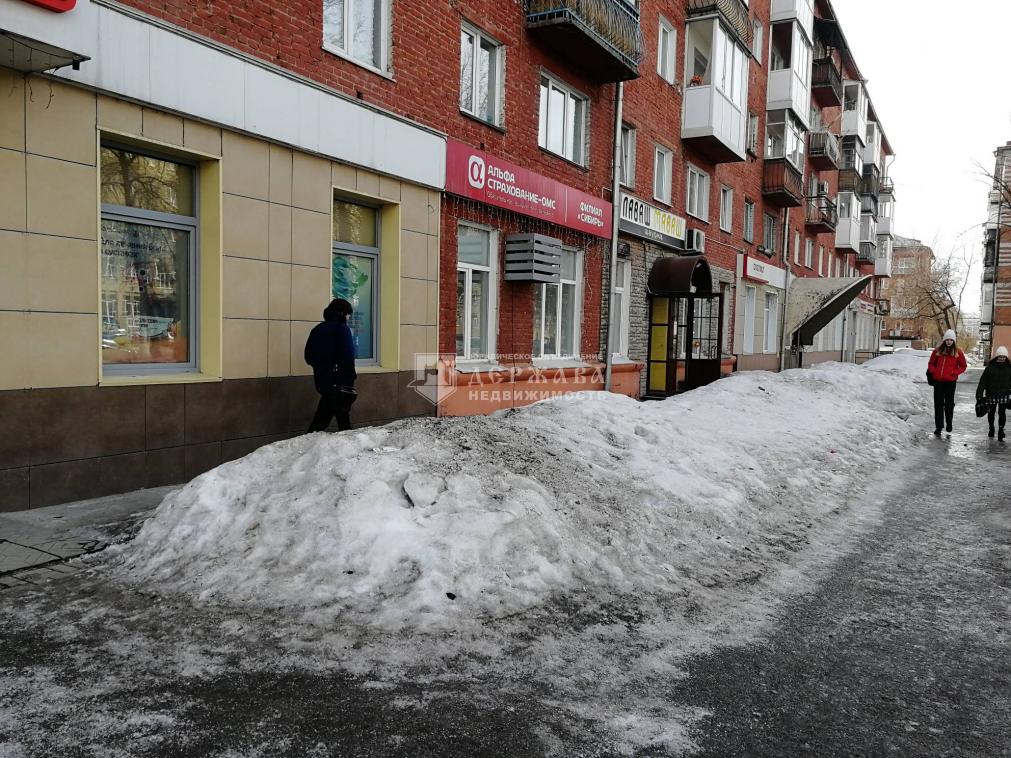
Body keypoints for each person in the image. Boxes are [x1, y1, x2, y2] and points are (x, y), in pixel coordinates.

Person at [304, 298, 357, 433]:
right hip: (339, 384)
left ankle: (348, 447)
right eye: (348, 314)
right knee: (321, 422)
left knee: (341, 419)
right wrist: (350, 378)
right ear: (342, 313)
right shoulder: (342, 329)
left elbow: (308, 357)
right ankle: (304, 448)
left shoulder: (317, 329)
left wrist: (322, 366)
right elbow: (348, 357)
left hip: (322, 382)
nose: (349, 317)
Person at [926, 329, 967, 435]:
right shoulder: (937, 351)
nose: (949, 342)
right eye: (947, 339)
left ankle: (949, 423)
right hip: (938, 382)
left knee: (949, 404)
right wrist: (934, 371)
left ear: (954, 341)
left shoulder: (958, 352)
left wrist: (954, 372)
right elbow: (931, 363)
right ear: (944, 340)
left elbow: (963, 366)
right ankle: (938, 427)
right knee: (938, 404)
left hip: (950, 382)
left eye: (951, 340)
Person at [976, 345, 1011, 440]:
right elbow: (983, 381)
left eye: (1003, 357)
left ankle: (1001, 430)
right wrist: (979, 395)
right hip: (991, 394)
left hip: (1004, 394)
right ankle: (991, 427)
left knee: (1002, 412)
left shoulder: (1009, 368)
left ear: (1006, 357)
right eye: (1000, 357)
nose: (1002, 359)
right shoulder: (990, 368)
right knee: (991, 412)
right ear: (996, 357)